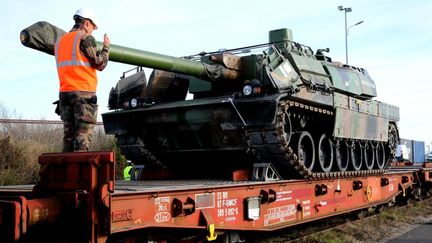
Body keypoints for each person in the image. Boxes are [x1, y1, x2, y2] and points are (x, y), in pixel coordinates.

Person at [54, 8, 110, 152]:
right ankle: (80, 174)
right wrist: (106, 48)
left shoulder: (60, 42)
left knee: (68, 139)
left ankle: (64, 172)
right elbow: (100, 64)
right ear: (86, 23)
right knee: (81, 141)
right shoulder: (85, 38)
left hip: (64, 94)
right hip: (83, 94)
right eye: (92, 27)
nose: (92, 31)